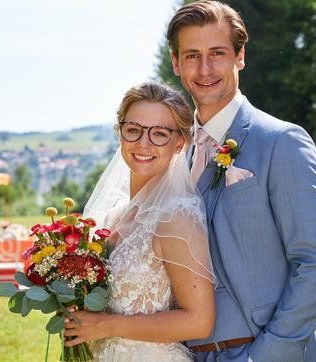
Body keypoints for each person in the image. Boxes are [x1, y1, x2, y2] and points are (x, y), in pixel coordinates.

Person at [166, 1, 316, 361]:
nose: (205, 68)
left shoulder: (281, 142)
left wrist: (266, 356)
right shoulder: (174, 157)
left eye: (217, 53)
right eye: (192, 56)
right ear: (176, 63)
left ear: (239, 57)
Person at [63, 81, 216, 361]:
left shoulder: (176, 217)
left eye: (159, 133)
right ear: (120, 133)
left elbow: (199, 321)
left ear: (179, 143)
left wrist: (105, 326)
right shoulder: (115, 216)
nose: (143, 144)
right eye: (133, 130)